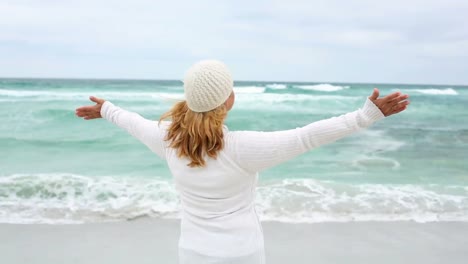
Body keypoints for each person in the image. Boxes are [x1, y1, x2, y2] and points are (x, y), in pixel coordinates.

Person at [75, 60, 410, 264]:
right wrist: (365, 116)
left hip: (193, 252)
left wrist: (105, 109)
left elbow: (130, 121)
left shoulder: (167, 139)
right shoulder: (242, 148)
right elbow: (307, 136)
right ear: (229, 100)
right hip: (241, 253)